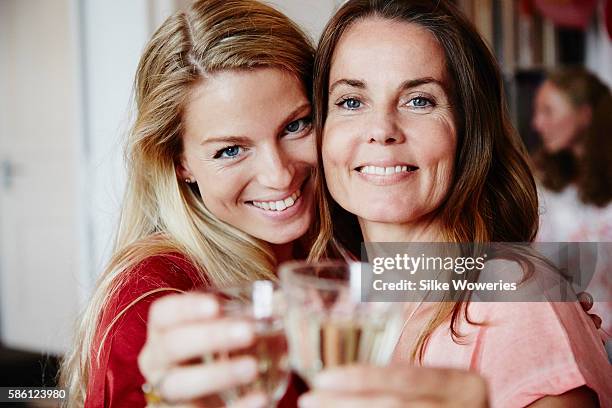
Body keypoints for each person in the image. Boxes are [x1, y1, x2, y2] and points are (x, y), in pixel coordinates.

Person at [303, 0, 611, 407]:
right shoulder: (351, 300)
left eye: (419, 101)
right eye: (351, 102)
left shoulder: (517, 300)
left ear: (469, 131)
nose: (381, 130)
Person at [58, 1, 317, 406]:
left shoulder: (341, 239)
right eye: (231, 150)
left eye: (296, 125)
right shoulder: (153, 296)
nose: (279, 174)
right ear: (180, 164)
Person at [532, 68, 612, 337]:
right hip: (571, 336)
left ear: (585, 114)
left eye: (549, 111)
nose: (538, 124)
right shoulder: (542, 184)